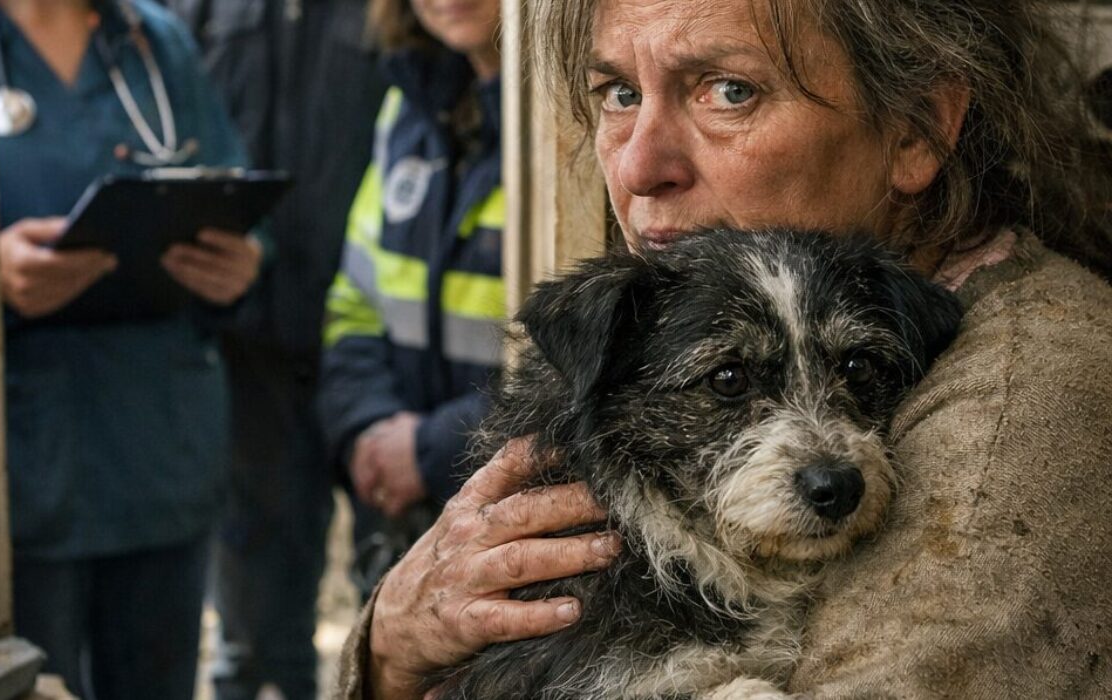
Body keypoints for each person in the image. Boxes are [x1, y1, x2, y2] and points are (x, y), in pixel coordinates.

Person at [335, 0, 1112, 697]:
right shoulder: (628, 369)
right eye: (619, 94)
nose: (639, 167)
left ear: (916, 125)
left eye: (728, 90)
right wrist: (388, 653)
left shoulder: (1027, 408)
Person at [0, 0, 261, 698]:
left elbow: (228, 191)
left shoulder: (155, 41)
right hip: (23, 464)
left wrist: (239, 265)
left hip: (160, 452)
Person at [161, 1, 388, 697]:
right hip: (246, 350)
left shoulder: (400, 13)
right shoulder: (188, 15)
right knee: (254, 633)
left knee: (395, 601)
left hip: (373, 352)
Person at [318, 0, 506, 591]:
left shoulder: (575, 116)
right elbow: (356, 297)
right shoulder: (409, 101)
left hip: (520, 514)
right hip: (404, 515)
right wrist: (368, 429)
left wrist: (430, 452)